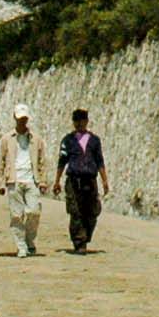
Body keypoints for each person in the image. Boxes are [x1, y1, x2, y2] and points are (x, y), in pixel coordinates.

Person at [0, 104, 48, 257]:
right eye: (20, 119)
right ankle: (21, 246)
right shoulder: (7, 139)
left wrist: (43, 180)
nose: (22, 122)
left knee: (34, 211)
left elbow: (42, 161)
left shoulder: (36, 139)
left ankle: (29, 240)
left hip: (32, 180)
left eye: (25, 119)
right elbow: (1, 161)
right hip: (14, 180)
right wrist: (1, 182)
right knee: (16, 215)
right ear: (15, 118)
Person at [58, 108, 108, 254]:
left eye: (82, 120)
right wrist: (56, 181)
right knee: (75, 212)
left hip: (90, 180)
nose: (79, 123)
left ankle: (86, 236)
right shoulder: (68, 140)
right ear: (73, 122)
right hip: (74, 181)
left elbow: (100, 161)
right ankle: (79, 242)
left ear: (87, 121)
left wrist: (104, 181)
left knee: (92, 211)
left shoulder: (94, 141)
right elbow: (62, 161)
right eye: (76, 120)